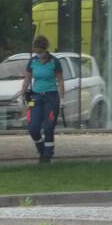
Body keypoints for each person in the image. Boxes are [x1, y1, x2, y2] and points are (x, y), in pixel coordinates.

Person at [20, 36, 65, 164]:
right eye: (35, 51)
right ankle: (41, 149)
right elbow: (27, 80)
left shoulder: (54, 62)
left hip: (51, 97)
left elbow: (61, 81)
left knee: (48, 127)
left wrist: (62, 98)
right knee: (33, 127)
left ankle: (47, 155)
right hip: (36, 96)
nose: (37, 54)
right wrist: (22, 95)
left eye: (39, 51)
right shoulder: (32, 62)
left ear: (44, 49)